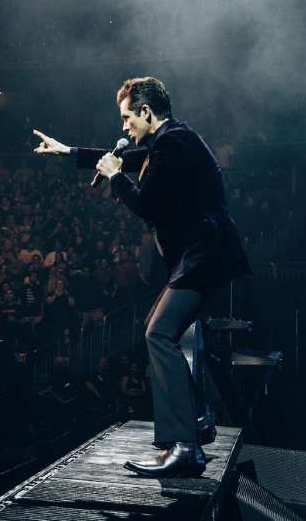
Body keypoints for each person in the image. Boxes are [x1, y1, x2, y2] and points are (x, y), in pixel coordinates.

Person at [33, 76, 250, 477]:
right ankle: (198, 420)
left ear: (146, 112)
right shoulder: (167, 143)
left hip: (205, 256)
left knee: (158, 334)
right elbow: (125, 159)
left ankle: (185, 446)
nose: (123, 126)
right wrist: (68, 152)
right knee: (159, 328)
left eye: (126, 116)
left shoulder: (173, 143)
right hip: (201, 257)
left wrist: (116, 178)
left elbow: (146, 205)